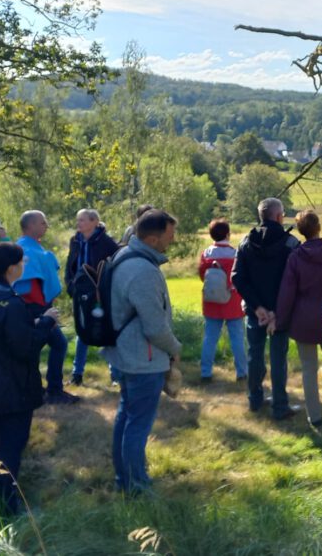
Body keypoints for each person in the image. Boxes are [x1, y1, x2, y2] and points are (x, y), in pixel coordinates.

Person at [0, 242, 59, 516]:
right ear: (10, 268)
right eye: (21, 262)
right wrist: (45, 324)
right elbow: (25, 347)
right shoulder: (11, 302)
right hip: (11, 386)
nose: (23, 266)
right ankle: (7, 507)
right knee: (10, 448)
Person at [103, 210, 183, 493]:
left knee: (127, 418)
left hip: (128, 355)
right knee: (137, 425)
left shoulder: (126, 257)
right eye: (168, 236)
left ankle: (125, 479)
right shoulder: (144, 271)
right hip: (141, 359)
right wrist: (175, 349)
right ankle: (136, 485)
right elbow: (154, 327)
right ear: (152, 238)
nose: (171, 242)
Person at [232, 197, 301, 420]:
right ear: (279, 217)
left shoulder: (245, 242)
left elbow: (238, 278)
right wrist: (276, 311)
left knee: (255, 355)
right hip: (280, 312)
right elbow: (294, 281)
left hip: (254, 311)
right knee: (278, 359)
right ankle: (280, 405)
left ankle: (255, 399)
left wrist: (258, 307)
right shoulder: (291, 244)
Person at [275, 210, 322, 427]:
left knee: (308, 369)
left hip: (303, 318)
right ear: (319, 227)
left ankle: (314, 415)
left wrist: (281, 320)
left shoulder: (295, 257)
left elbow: (287, 293)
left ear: (301, 231)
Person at [13, 210, 79, 405]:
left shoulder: (32, 248)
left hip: (39, 306)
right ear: (31, 225)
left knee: (42, 346)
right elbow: (26, 285)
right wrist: (43, 308)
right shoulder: (26, 250)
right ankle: (50, 390)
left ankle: (40, 389)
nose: (46, 226)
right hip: (34, 307)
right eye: (43, 222)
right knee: (50, 345)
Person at [64, 208, 119, 386]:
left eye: (82, 220)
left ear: (94, 222)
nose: (78, 223)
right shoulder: (75, 240)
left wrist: (107, 287)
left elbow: (114, 265)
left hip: (101, 291)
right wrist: (70, 285)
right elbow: (70, 264)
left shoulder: (106, 242)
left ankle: (116, 374)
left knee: (107, 328)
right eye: (78, 220)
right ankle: (77, 373)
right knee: (82, 329)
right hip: (81, 291)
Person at [197, 218, 247, 383]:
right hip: (232, 300)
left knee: (210, 337)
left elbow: (202, 276)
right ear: (228, 234)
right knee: (237, 338)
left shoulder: (206, 254)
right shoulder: (235, 254)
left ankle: (205, 372)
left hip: (211, 300)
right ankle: (241, 372)